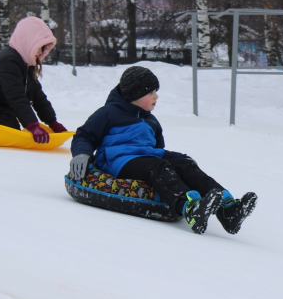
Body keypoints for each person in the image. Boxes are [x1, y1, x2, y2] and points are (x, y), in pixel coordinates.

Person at [69, 66, 257, 235]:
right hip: (118, 161)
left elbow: (158, 147)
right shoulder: (108, 113)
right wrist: (82, 154)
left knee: (185, 162)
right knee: (157, 166)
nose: (156, 96)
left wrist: (178, 164)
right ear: (135, 94)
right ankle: (188, 207)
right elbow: (84, 135)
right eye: (151, 92)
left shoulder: (151, 120)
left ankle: (227, 210)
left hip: (146, 158)